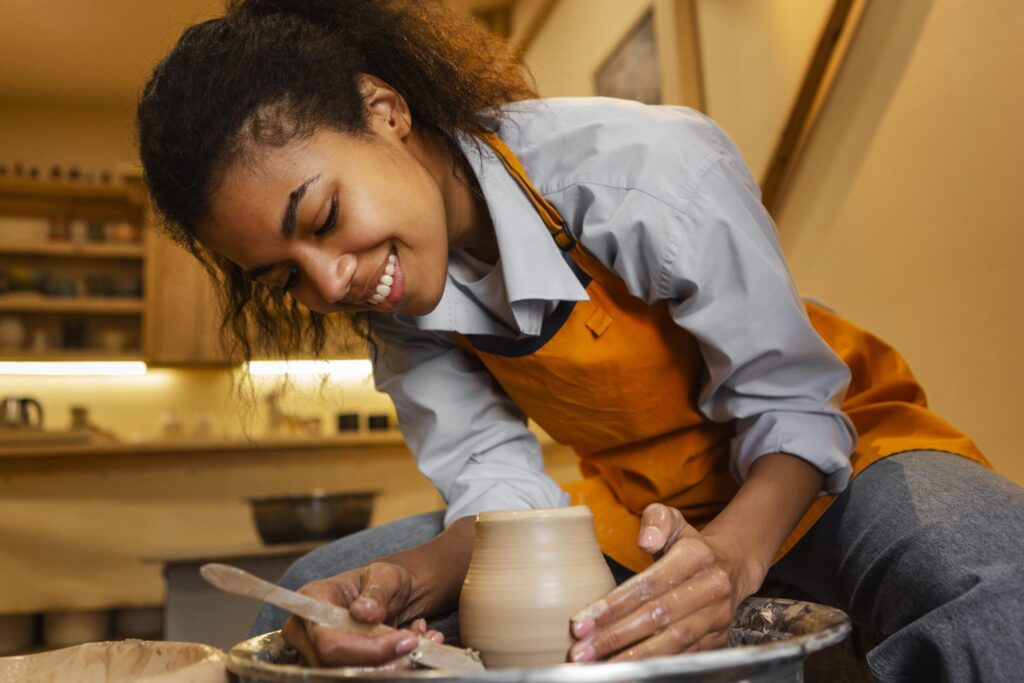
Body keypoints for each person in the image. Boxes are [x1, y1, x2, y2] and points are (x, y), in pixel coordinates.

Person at [136, 1, 1024, 680]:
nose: (330, 282)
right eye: (286, 273)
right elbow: (500, 495)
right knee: (322, 578)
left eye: (324, 216)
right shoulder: (396, 301)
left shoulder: (642, 172)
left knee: (989, 564)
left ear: (385, 111)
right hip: (637, 503)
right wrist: (401, 581)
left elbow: (793, 407)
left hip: (832, 457)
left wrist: (733, 557)